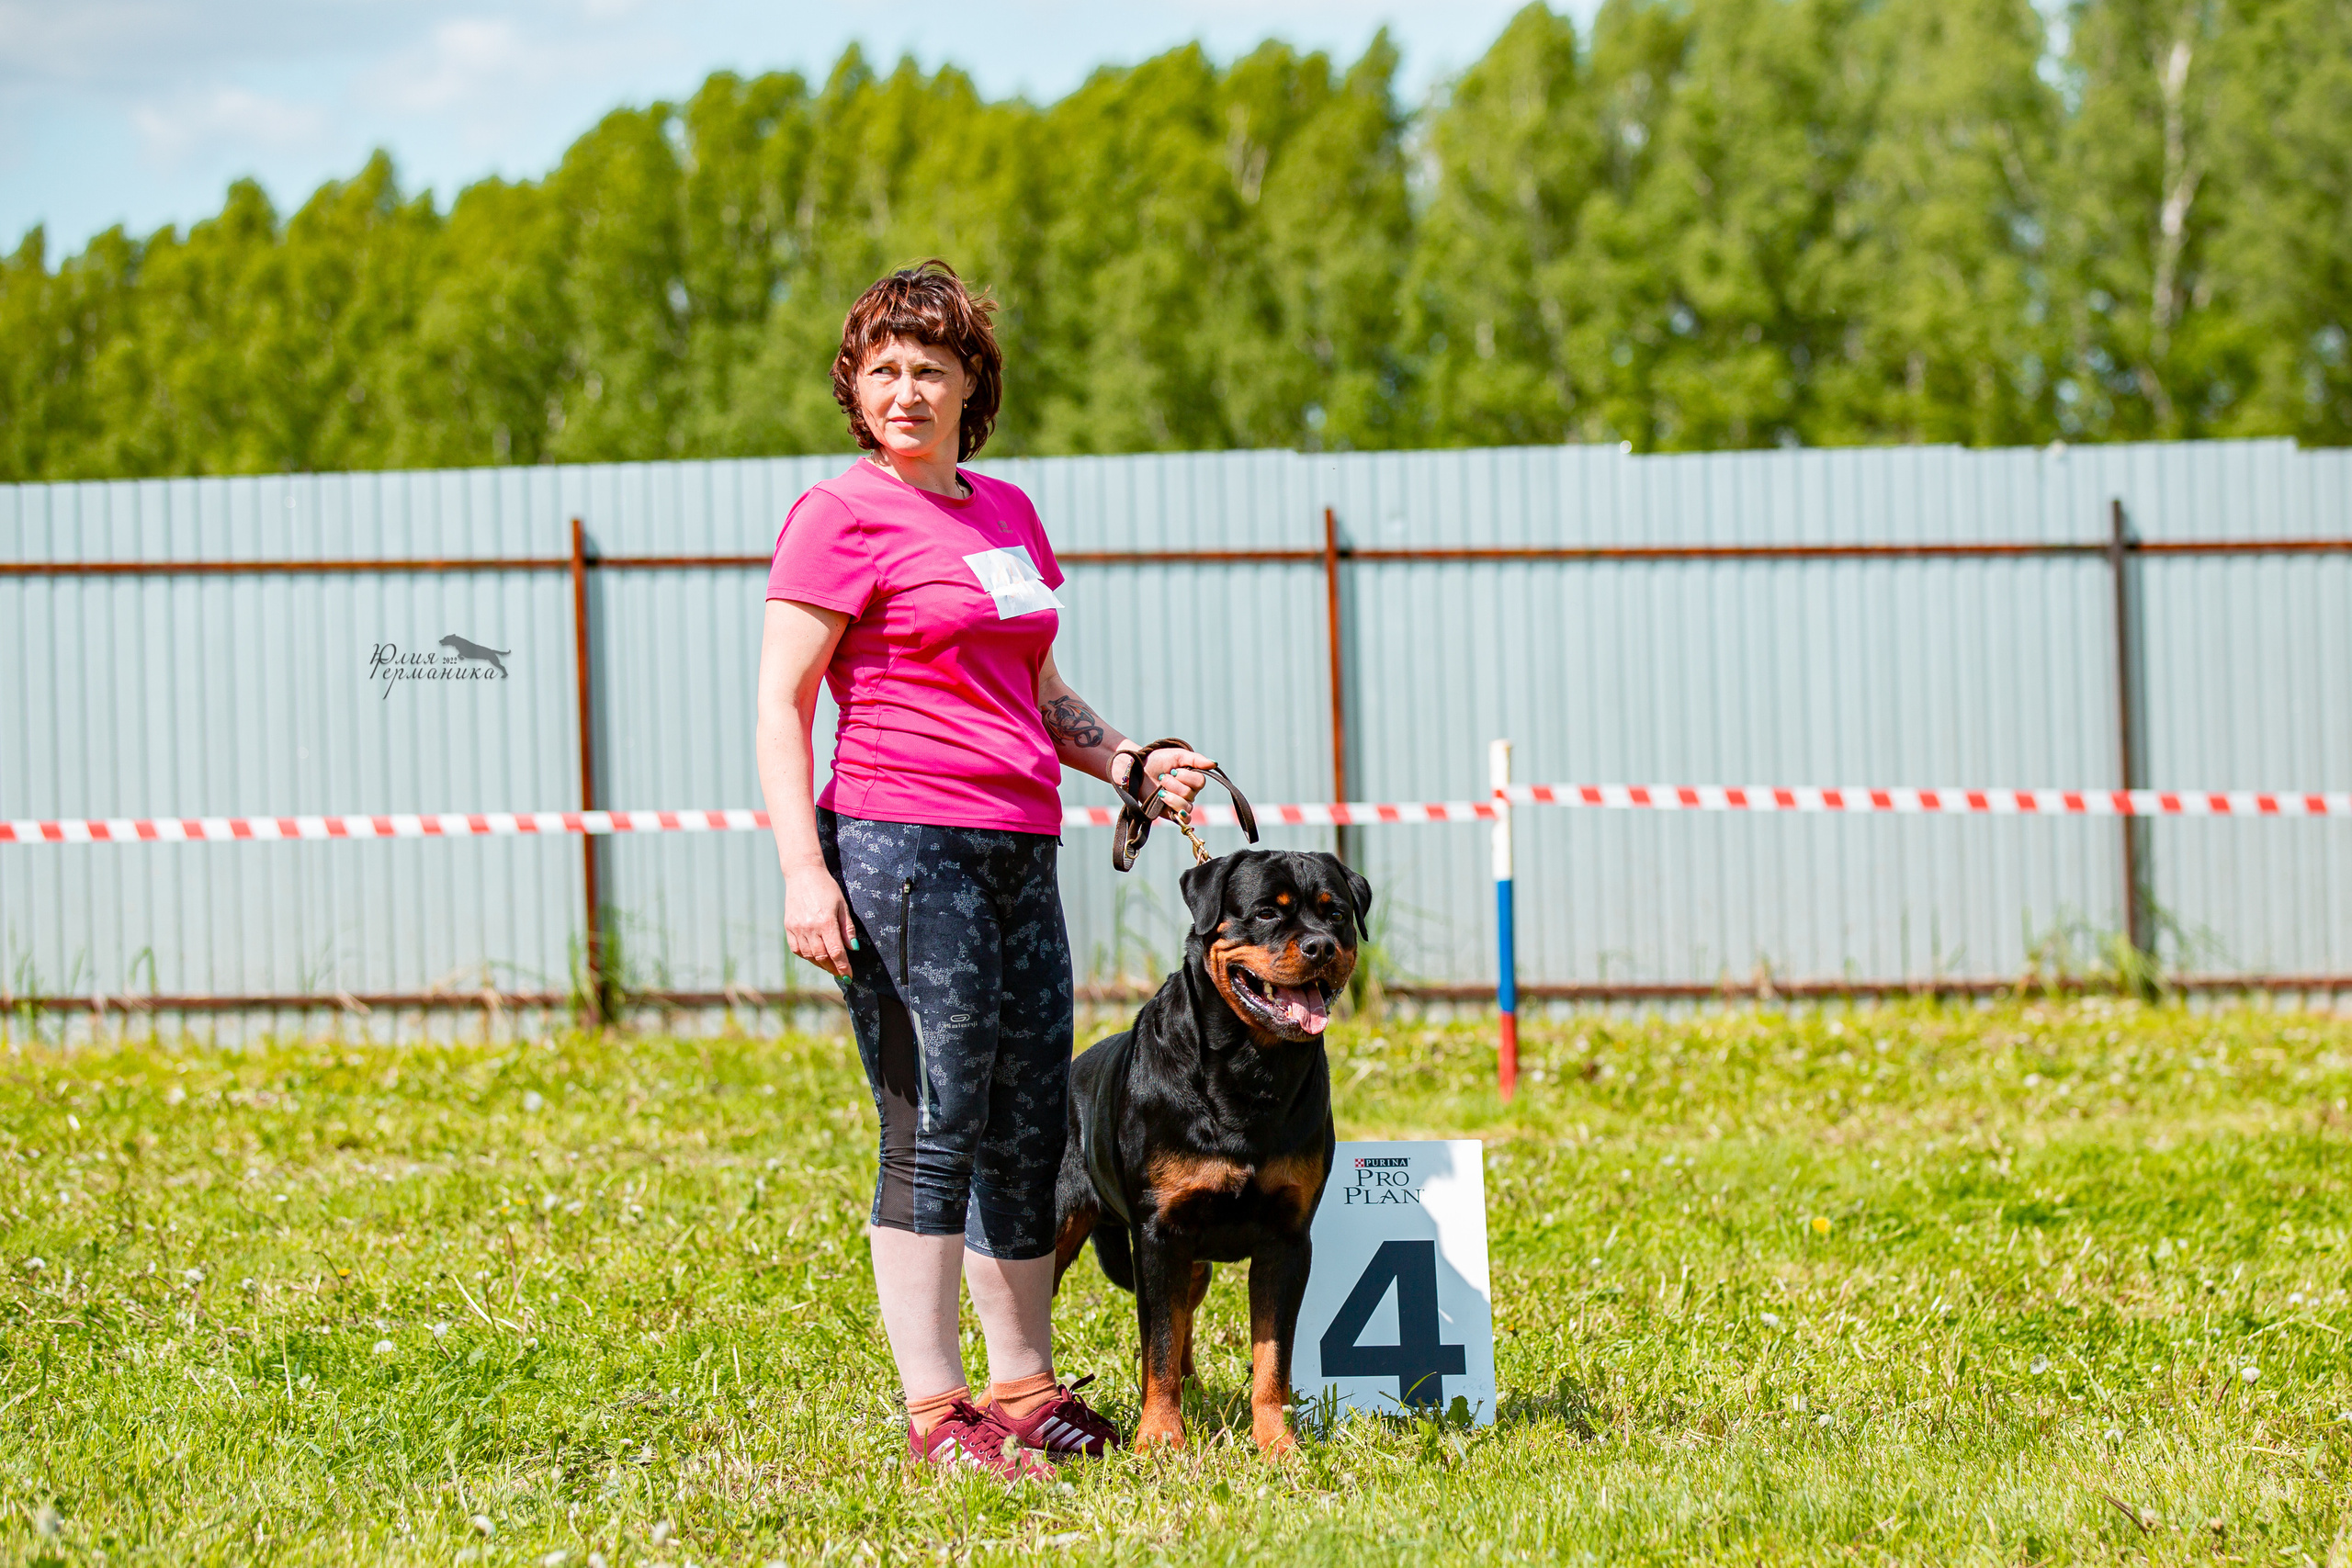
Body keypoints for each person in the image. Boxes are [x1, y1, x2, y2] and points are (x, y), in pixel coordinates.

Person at [754, 261, 1218, 1481]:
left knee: (1027, 1125)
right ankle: (935, 1414)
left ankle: (1022, 1392)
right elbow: (779, 705)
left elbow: (1043, 694)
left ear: (974, 387)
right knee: (934, 1124)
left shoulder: (1007, 512)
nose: (906, 391)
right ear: (855, 386)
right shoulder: (837, 513)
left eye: (932, 370)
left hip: (1019, 849)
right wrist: (806, 870)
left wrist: (1129, 763)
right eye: (884, 370)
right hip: (899, 850)